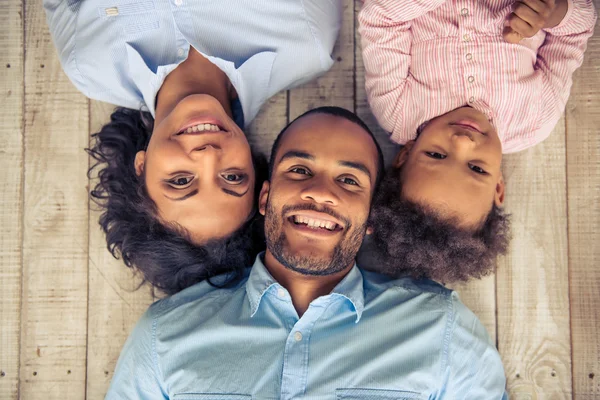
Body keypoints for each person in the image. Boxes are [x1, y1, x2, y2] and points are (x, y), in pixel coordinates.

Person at [105, 107, 508, 399]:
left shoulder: (440, 330)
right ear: (265, 196)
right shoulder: (164, 337)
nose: (320, 193)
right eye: (299, 170)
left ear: (371, 217)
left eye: (349, 180)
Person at [44, 0, 343, 294]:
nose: (209, 156)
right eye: (233, 177)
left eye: (181, 181)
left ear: (141, 167)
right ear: (253, 166)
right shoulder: (306, 39)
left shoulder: (87, 62)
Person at [357, 0, 595, 280]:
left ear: (405, 154)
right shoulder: (534, 120)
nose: (463, 142)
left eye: (435, 155)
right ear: (498, 186)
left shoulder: (398, 111)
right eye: (477, 168)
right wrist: (554, 14)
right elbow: (578, 27)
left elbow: (380, 17)